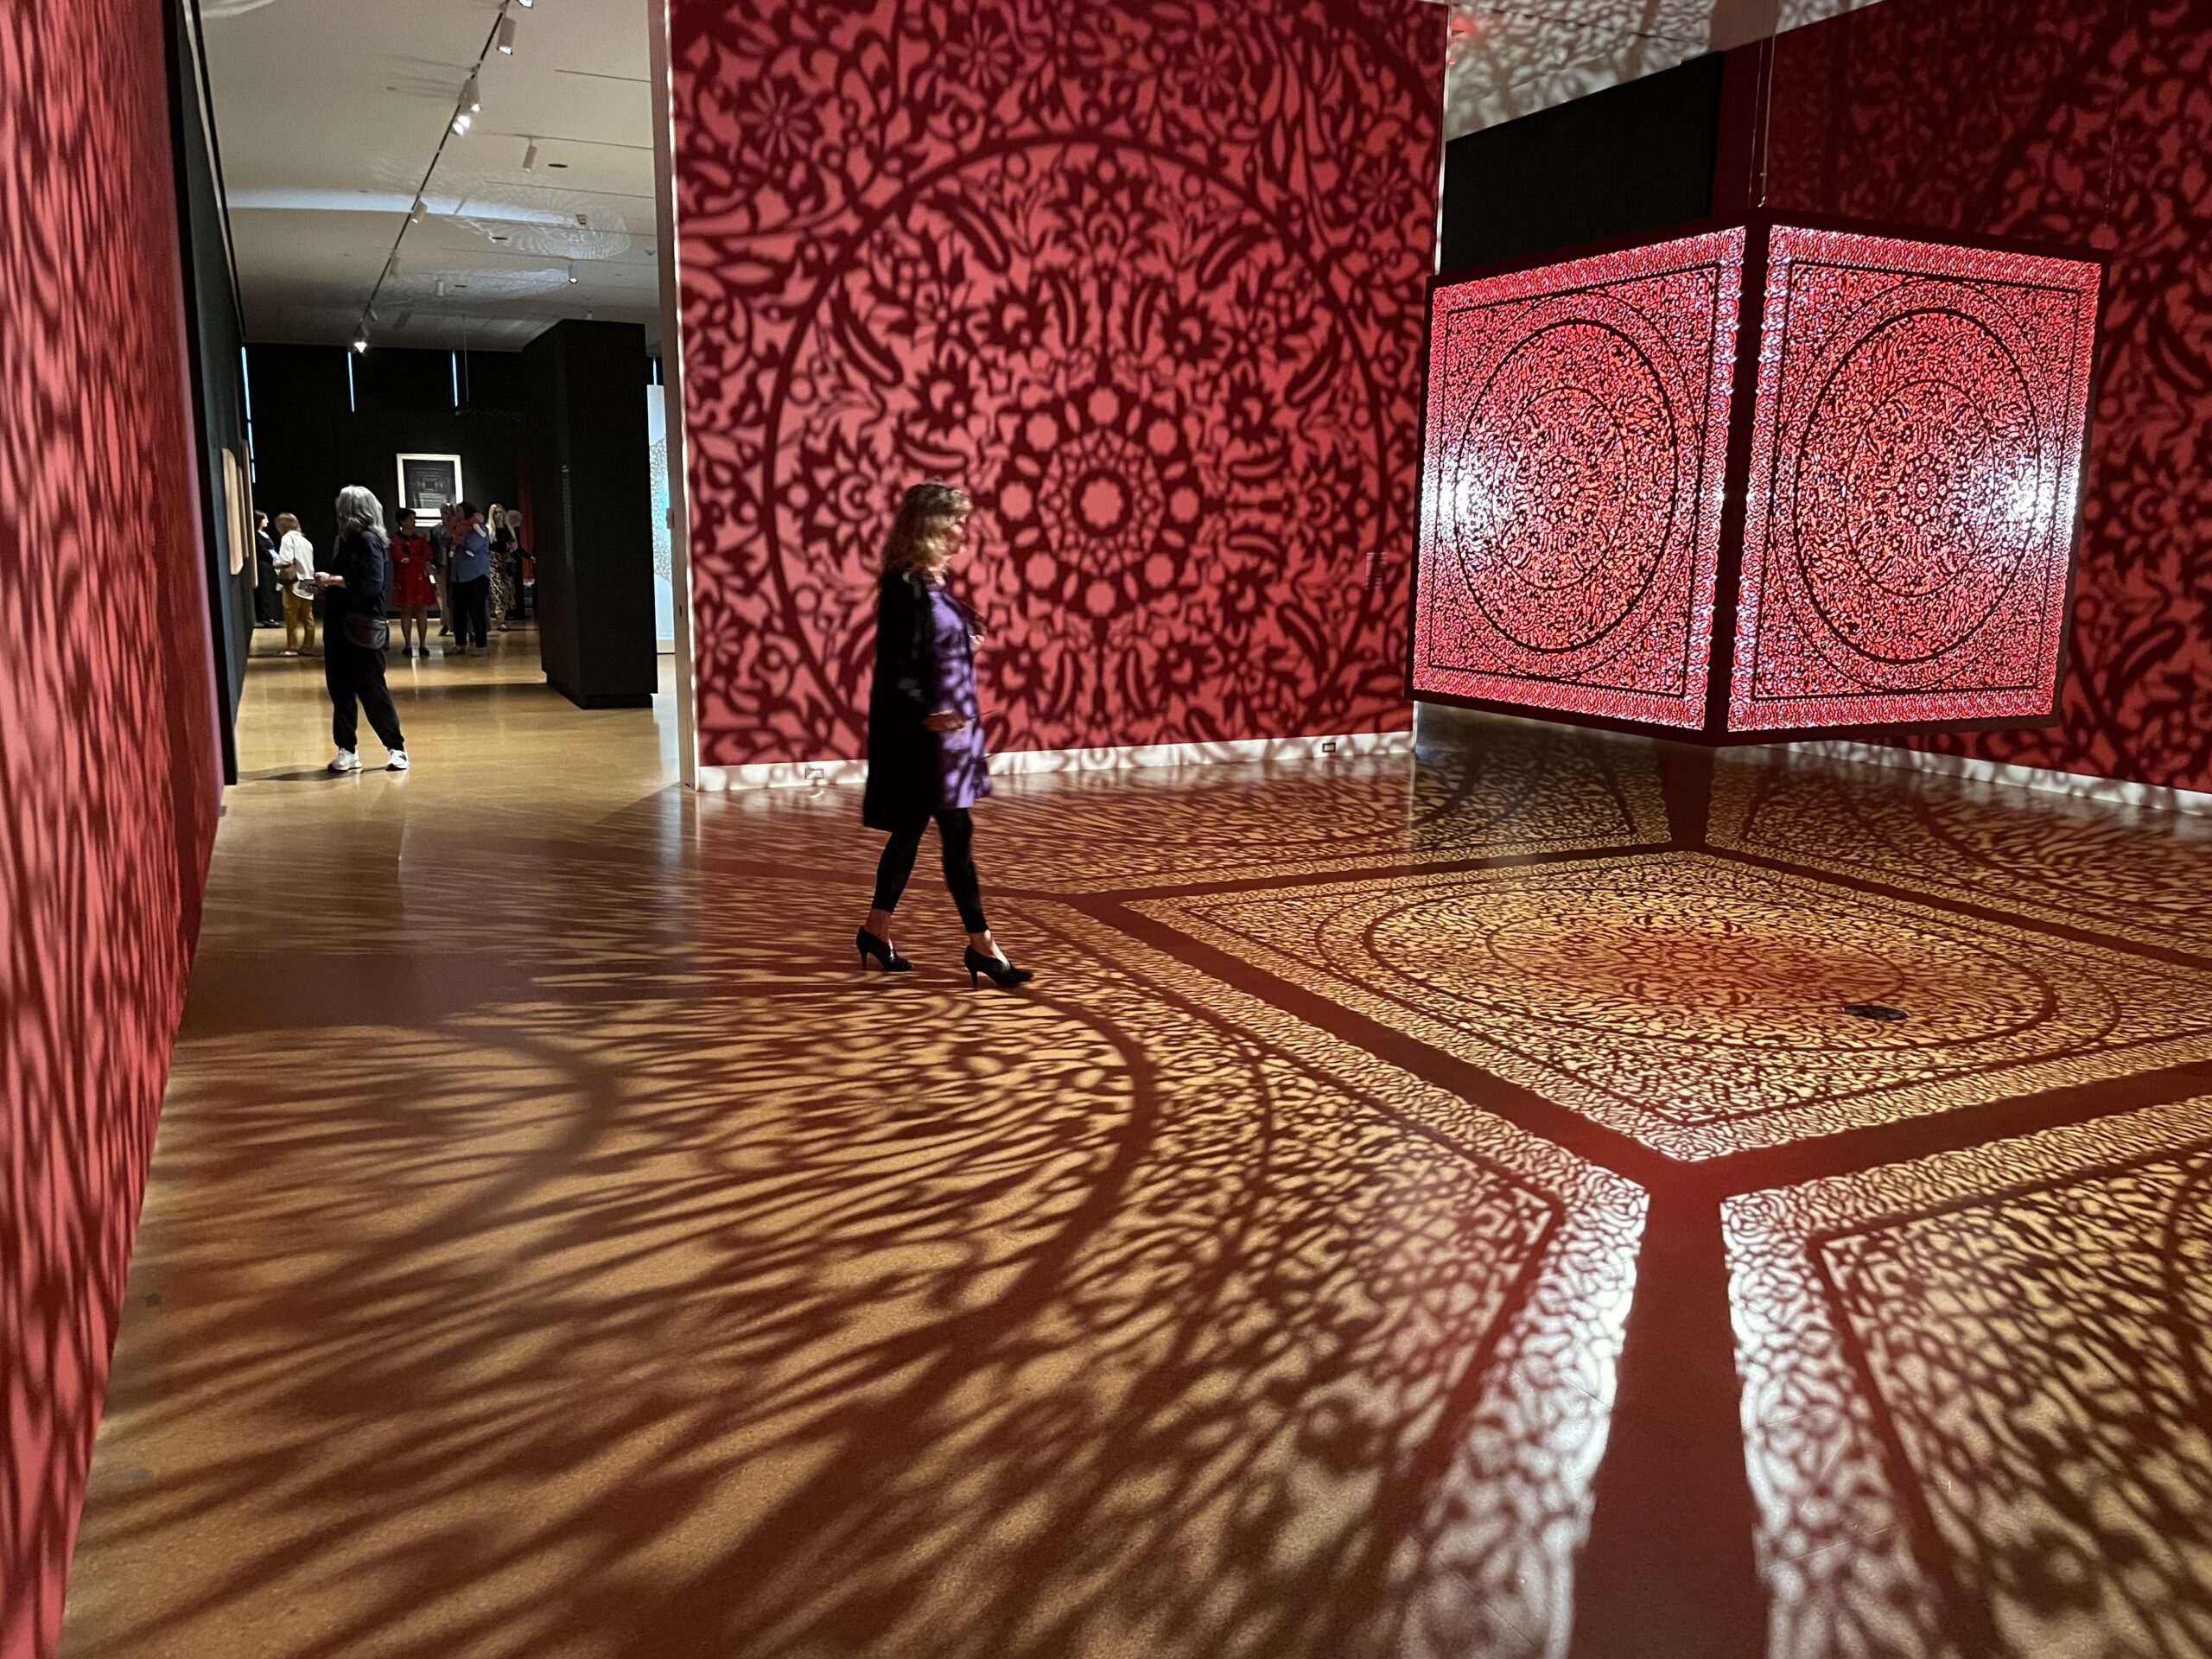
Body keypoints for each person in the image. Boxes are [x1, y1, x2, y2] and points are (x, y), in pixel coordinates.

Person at [856, 482, 1030, 989]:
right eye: (953, 521)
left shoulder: (932, 582)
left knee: (911, 832)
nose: (962, 530)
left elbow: (936, 643)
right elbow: (894, 670)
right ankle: (983, 947)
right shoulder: (903, 584)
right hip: (927, 738)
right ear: (929, 527)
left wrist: (965, 637)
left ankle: (875, 931)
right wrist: (928, 714)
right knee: (957, 834)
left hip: (950, 735)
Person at [315, 486, 407, 772]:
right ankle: (347, 749)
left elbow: (371, 585)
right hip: (339, 625)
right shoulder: (346, 541)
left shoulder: (369, 541)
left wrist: (332, 581)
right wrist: (326, 585)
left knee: (372, 690)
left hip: (362, 626)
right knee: (340, 690)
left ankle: (397, 749)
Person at [388, 508, 437, 658]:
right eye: (410, 518)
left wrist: (414, 558)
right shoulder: (395, 539)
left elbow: (426, 556)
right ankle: (408, 644)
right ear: (402, 522)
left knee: (422, 611)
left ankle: (423, 644)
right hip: (404, 579)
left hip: (419, 578)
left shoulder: (419, 539)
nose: (413, 521)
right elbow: (401, 558)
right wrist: (415, 558)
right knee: (406, 611)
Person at [447, 500, 493, 656]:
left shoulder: (479, 529)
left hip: (477, 575)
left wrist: (458, 536)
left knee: (477, 611)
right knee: (458, 611)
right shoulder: (455, 528)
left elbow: (472, 545)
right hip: (458, 577)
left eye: (459, 511)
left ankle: (481, 645)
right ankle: (460, 644)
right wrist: (451, 528)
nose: (457, 514)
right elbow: (444, 542)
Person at [273, 512, 318, 655]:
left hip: (294, 581)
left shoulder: (287, 538)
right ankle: (308, 646)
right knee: (308, 616)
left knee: (291, 614)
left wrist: (275, 562)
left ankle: (292, 647)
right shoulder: (306, 541)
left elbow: (286, 560)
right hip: (308, 580)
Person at [487, 504, 516, 632]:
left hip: (504, 563)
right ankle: (500, 621)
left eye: (500, 512)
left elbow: (515, 546)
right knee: (497, 590)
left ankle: (502, 619)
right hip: (492, 563)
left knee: (505, 591)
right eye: (496, 513)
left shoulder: (507, 529)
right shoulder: (489, 529)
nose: (499, 515)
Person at [252, 510, 281, 627]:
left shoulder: (265, 535)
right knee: (265, 590)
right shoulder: (257, 535)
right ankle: (266, 616)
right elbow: (263, 551)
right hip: (264, 566)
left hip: (270, 565)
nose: (267, 521)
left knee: (270, 589)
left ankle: (271, 615)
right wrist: (273, 558)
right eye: (265, 519)